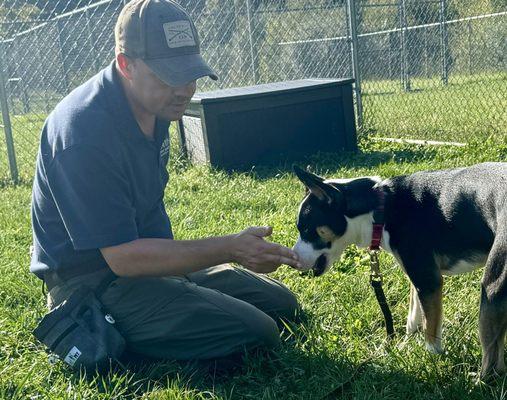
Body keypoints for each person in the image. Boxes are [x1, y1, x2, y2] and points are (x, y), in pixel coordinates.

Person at [30, 0, 301, 363]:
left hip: (143, 260)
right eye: (168, 75)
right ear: (126, 64)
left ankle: (172, 303)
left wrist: (182, 272)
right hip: (91, 282)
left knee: (283, 304)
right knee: (259, 334)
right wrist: (232, 248)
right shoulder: (84, 133)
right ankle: (122, 336)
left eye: (189, 74)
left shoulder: (154, 106)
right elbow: (123, 259)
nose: (184, 89)